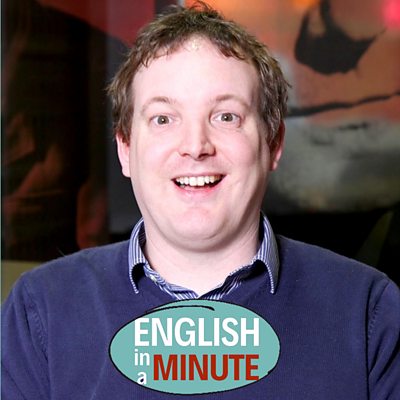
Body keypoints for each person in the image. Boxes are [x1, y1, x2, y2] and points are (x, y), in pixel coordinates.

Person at [2, 3, 399, 399]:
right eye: (163, 119)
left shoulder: (368, 310)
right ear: (125, 148)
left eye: (226, 116)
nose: (195, 146)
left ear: (273, 143)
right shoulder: (42, 311)